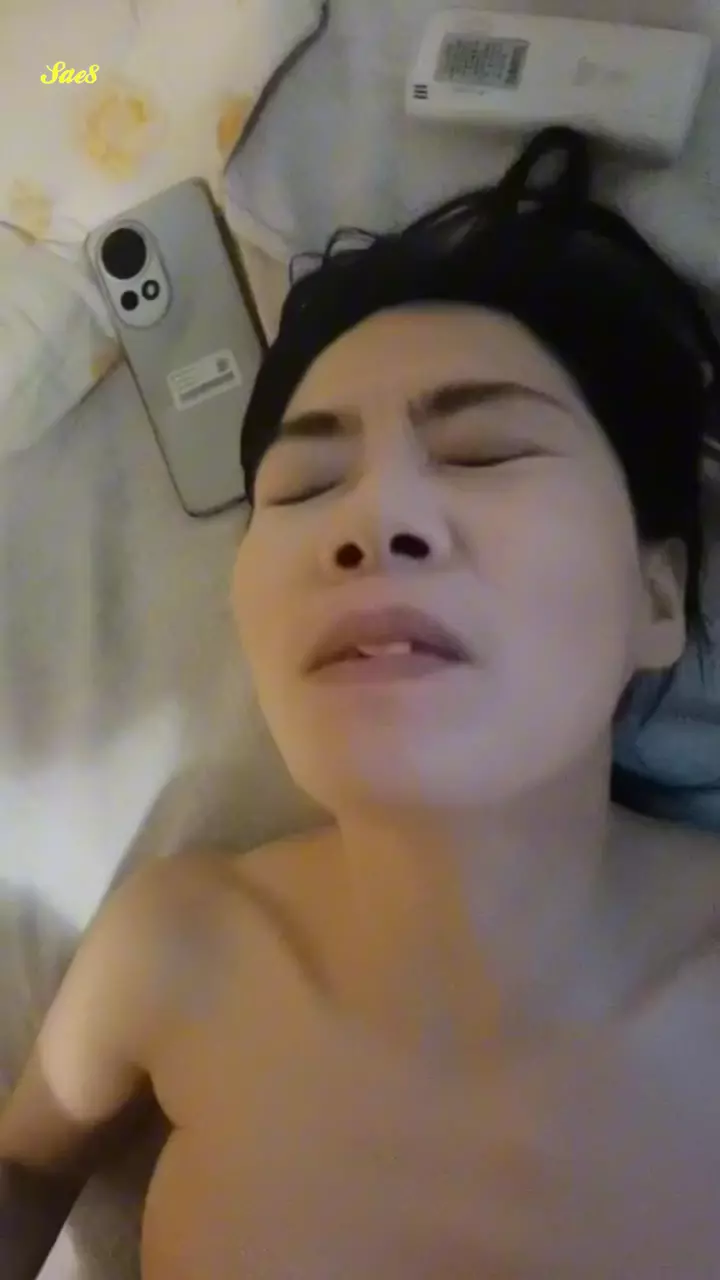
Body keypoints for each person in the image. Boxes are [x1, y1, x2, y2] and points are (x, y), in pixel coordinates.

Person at [2, 126, 720, 1279]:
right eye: (305, 484)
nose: (373, 519)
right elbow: (24, 1170)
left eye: (484, 451)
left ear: (656, 595)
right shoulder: (174, 947)